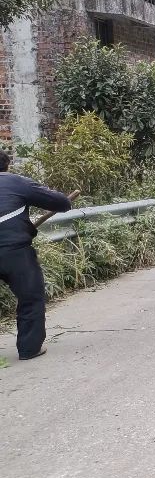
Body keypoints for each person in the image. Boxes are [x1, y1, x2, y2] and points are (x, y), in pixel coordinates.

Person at [0, 150, 72, 360]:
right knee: (30, 297)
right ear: (7, 165)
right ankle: (29, 349)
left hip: (13, 248)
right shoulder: (16, 182)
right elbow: (62, 203)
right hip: (14, 252)